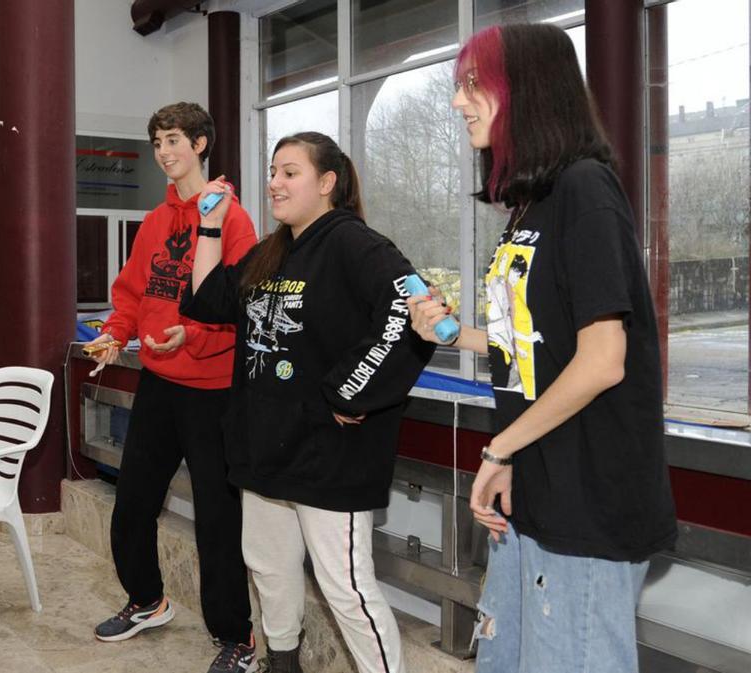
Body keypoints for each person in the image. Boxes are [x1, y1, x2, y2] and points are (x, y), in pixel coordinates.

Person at [407, 24, 677, 673]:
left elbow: (602, 356)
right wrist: (451, 333)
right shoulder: (530, 205)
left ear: (525, 89)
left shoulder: (586, 189)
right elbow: (529, 340)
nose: (457, 102)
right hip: (530, 497)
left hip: (586, 504)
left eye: (473, 84)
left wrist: (501, 448)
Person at [184, 131, 434, 673]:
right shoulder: (273, 251)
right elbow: (206, 300)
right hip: (265, 448)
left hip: (328, 454)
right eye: (273, 171)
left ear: (327, 183)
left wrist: (351, 389)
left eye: (290, 172)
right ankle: (283, 663)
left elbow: (413, 308)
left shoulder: (353, 243)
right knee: (269, 568)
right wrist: (209, 224)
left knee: (346, 586)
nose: (274, 182)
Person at [86, 102, 259, 673]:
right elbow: (134, 292)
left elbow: (240, 304)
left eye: (175, 140)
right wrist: (115, 336)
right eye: (158, 141)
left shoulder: (232, 219)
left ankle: (236, 636)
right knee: (132, 499)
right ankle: (147, 599)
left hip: (213, 389)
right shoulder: (155, 221)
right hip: (158, 384)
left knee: (217, 518)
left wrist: (194, 332)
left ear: (202, 144)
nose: (164, 152)